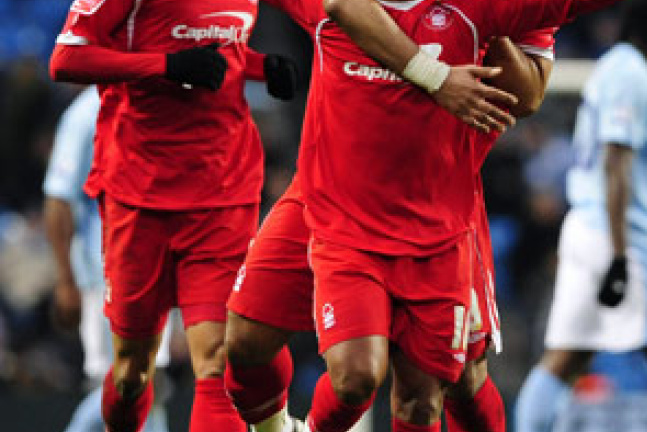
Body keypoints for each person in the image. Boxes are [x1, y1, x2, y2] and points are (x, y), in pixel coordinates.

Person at [223, 0, 620, 432]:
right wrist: (435, 76)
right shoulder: (337, 16)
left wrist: (484, 29)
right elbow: (341, 5)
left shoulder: (500, 11)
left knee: (445, 385)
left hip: (435, 204)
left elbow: (525, 98)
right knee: (246, 341)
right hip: (326, 192)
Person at [48, 1, 297, 431]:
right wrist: (166, 65)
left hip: (221, 195)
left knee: (217, 358)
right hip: (138, 201)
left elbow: (218, 50)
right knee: (132, 372)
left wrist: (261, 68)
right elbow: (66, 59)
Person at [514, 1, 647, 431]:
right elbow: (615, 163)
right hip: (628, 241)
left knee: (567, 360)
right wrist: (621, 256)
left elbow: (638, 179)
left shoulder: (613, 69)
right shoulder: (630, 76)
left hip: (594, 231)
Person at [44, 85, 172, 432]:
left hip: (151, 269)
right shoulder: (85, 113)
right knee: (126, 381)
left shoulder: (153, 99)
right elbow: (57, 199)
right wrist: (66, 281)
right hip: (103, 272)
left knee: (148, 382)